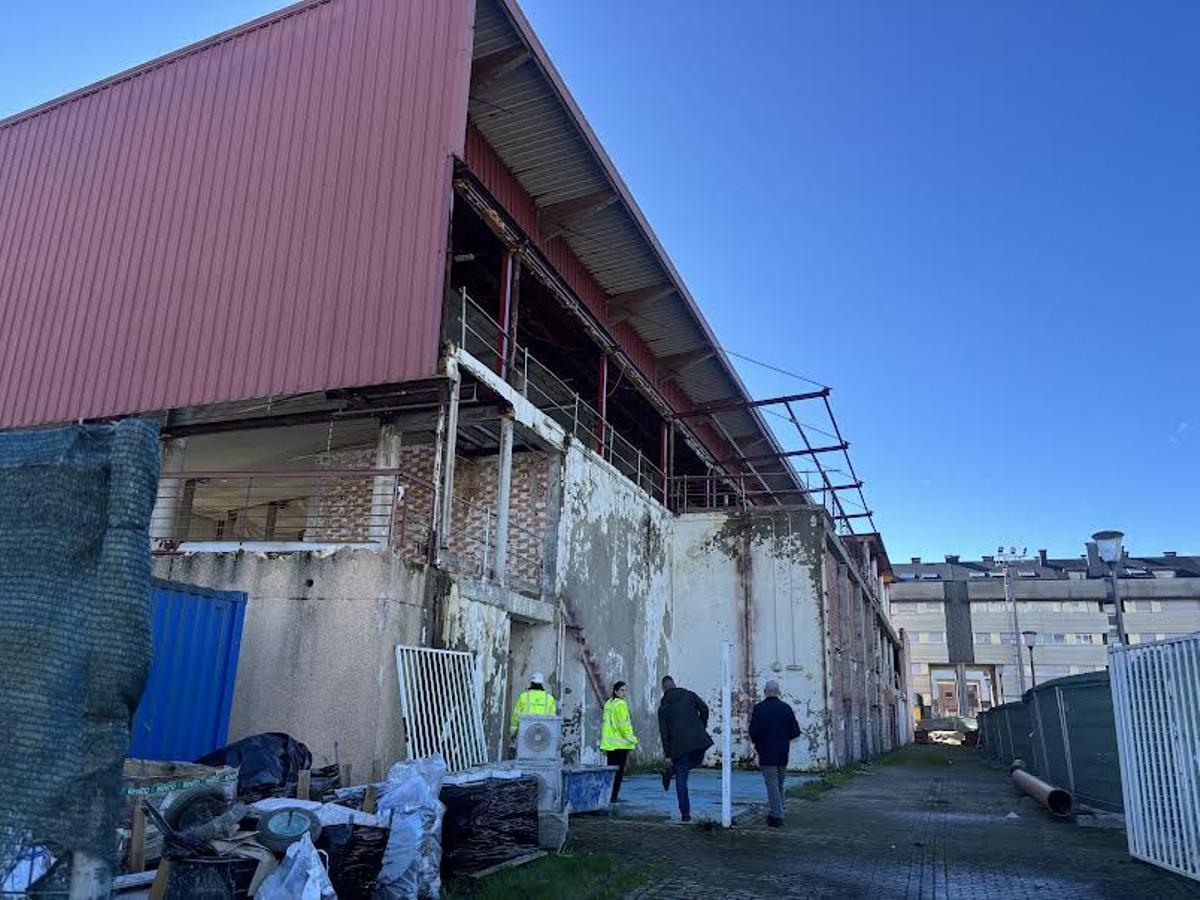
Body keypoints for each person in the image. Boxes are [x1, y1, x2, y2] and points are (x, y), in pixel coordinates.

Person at [656, 675, 713, 823]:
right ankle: (673, 772)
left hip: (678, 747)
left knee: (682, 778)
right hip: (697, 741)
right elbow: (704, 708)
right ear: (675, 684)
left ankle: (685, 815)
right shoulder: (689, 695)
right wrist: (701, 726)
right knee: (694, 762)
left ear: (663, 689)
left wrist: (667, 754)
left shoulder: (663, 708)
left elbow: (664, 733)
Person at [748, 680, 801, 828]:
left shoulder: (759, 709)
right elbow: (795, 732)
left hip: (766, 752)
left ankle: (777, 815)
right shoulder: (786, 709)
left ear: (765, 692)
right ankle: (777, 811)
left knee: (771, 785)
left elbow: (754, 731)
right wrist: (783, 739)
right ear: (778, 692)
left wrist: (759, 744)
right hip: (783, 752)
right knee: (779, 784)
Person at [600, 681, 638, 802]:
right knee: (618, 773)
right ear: (615, 691)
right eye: (622, 690)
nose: (624, 693)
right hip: (621, 744)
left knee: (611, 772)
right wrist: (632, 739)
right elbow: (623, 725)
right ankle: (614, 797)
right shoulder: (621, 704)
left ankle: (609, 796)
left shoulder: (609, 704)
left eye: (625, 690)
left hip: (610, 744)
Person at [510, 671, 557, 742]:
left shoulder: (523, 696)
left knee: (524, 752)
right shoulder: (549, 698)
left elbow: (516, 716)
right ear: (542, 683)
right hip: (543, 735)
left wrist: (513, 732)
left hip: (525, 733)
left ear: (531, 683)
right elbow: (552, 717)